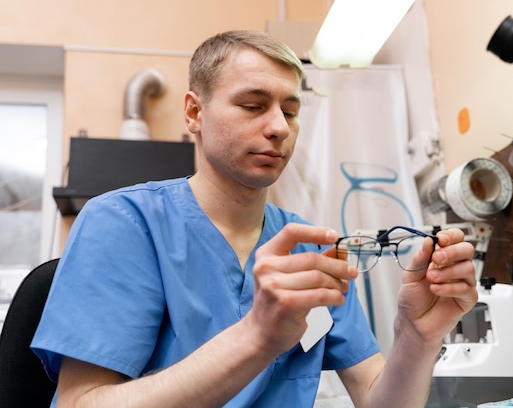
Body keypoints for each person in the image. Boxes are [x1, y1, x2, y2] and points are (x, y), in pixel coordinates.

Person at [32, 30, 478, 408]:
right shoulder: (125, 224)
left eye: (290, 110)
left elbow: (378, 398)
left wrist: (417, 337)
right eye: (252, 105)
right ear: (194, 112)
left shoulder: (308, 249)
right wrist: (257, 336)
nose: (280, 128)